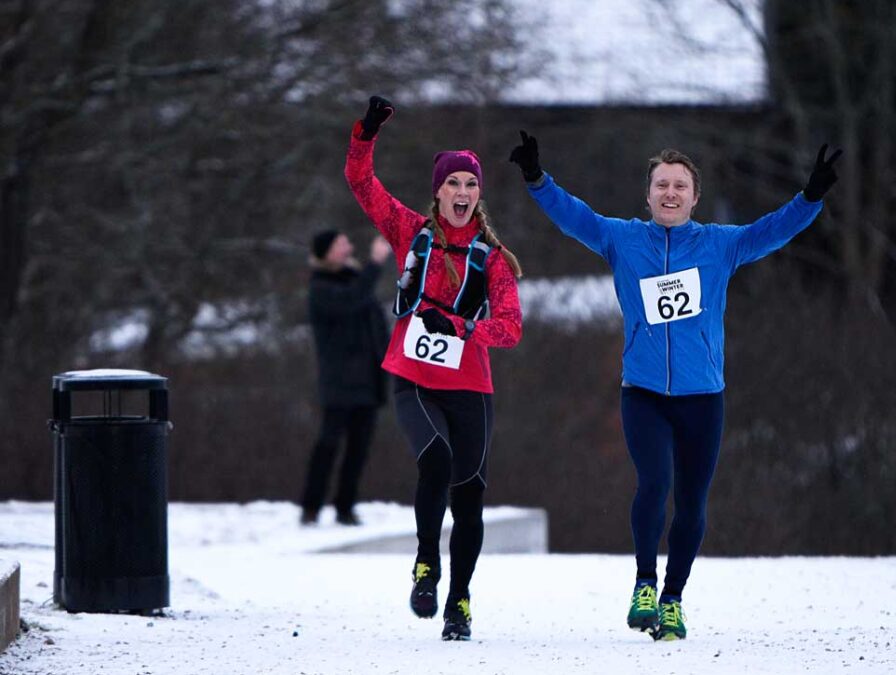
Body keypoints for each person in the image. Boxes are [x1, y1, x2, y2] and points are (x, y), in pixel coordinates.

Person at [509, 131, 841, 641]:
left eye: (679, 185)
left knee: (691, 503)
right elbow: (575, 217)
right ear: (647, 195)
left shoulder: (719, 245)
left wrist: (811, 197)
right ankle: (644, 583)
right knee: (654, 483)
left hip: (703, 398)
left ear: (694, 197)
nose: (670, 193)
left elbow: (772, 231)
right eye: (661, 184)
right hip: (642, 393)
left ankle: (673, 598)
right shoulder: (622, 239)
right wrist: (537, 179)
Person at [345, 96, 523, 641]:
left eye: (471, 185)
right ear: (438, 191)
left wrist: (467, 328)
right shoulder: (409, 232)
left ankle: (460, 601)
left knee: (469, 496)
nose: (463, 194)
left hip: (471, 387)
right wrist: (366, 133)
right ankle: (426, 563)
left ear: (479, 195)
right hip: (414, 378)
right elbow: (361, 183)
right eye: (454, 185)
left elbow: (511, 328)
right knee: (437, 459)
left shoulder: (492, 259)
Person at [300, 229, 391, 526]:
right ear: (325, 252)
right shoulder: (321, 286)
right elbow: (351, 301)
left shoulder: (354, 279)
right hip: (339, 380)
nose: (348, 247)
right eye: (341, 244)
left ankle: (345, 506)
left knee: (359, 447)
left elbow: (375, 322)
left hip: (368, 379)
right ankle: (311, 506)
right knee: (328, 444)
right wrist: (375, 263)